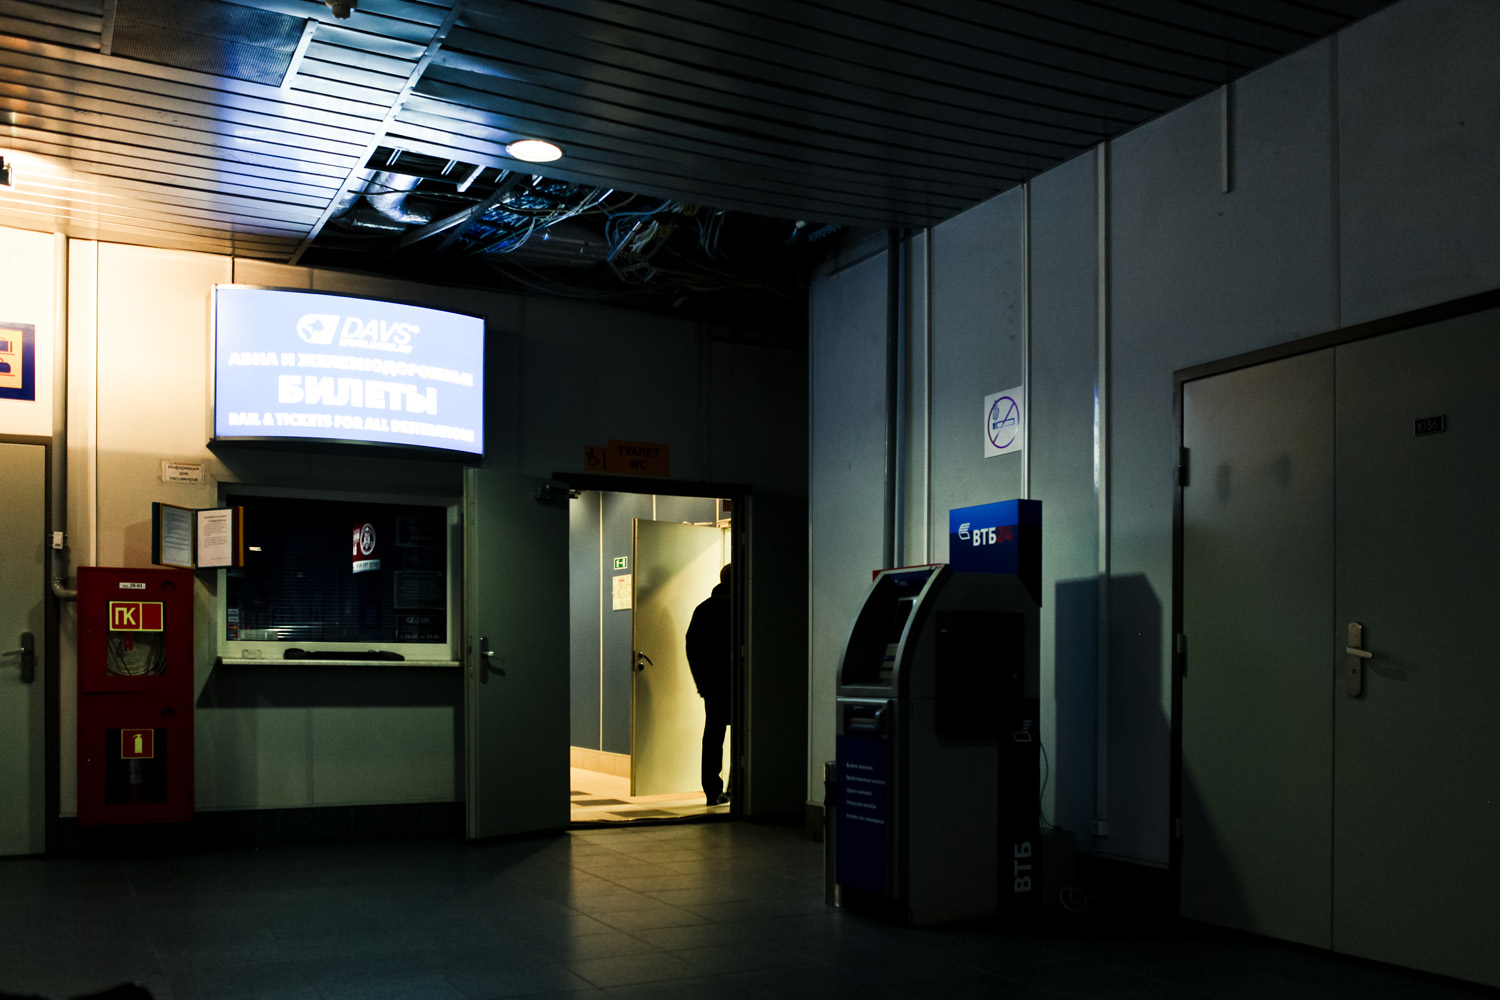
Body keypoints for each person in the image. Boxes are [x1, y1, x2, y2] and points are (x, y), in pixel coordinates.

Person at [684, 563, 731, 806]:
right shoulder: (744, 607)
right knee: (747, 735)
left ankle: (712, 790)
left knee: (713, 737)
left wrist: (702, 683)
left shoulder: (703, 609)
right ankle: (739, 787)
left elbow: (692, 647)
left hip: (713, 686)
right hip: (740, 684)